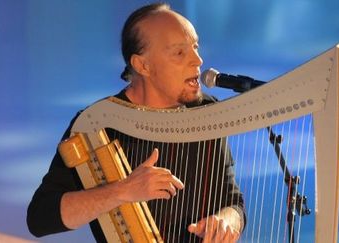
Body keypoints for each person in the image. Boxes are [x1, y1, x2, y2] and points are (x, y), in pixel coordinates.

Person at [27, 3, 245, 243]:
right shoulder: (97, 125)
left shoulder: (207, 113)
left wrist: (227, 220)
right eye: (180, 52)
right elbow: (40, 218)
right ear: (143, 65)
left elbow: (232, 201)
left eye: (195, 47)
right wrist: (122, 191)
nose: (198, 60)